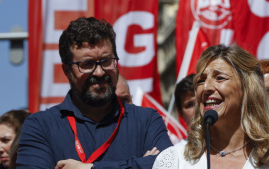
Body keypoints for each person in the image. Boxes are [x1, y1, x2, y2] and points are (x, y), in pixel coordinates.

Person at [17, 17, 173, 169]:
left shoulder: (147, 120)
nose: (99, 72)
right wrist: (141, 164)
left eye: (107, 61)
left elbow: (169, 165)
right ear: (67, 70)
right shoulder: (40, 127)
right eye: (87, 64)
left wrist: (90, 168)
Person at [153, 44, 269, 168]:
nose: (206, 87)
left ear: (247, 89)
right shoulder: (174, 161)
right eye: (201, 80)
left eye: (220, 78)